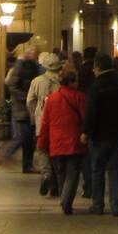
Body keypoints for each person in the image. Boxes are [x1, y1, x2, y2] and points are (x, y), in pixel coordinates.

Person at [81, 52, 118, 216]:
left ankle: (98, 204)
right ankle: (116, 204)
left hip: (99, 135)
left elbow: (91, 111)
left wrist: (86, 131)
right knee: (114, 168)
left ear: (97, 67)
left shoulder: (96, 85)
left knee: (97, 169)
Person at [35, 66, 87, 214]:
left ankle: (64, 199)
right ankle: (66, 201)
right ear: (72, 81)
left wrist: (41, 142)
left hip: (56, 143)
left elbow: (45, 122)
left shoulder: (52, 99)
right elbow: (85, 118)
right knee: (73, 173)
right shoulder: (79, 97)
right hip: (74, 141)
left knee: (61, 173)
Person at [2, 44, 43, 173]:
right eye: (34, 54)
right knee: (24, 137)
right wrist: (25, 97)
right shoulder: (21, 65)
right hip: (22, 108)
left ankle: (27, 165)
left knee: (28, 138)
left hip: (28, 107)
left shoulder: (31, 66)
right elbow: (12, 85)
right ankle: (7, 153)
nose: (35, 57)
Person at [27, 50, 63, 196]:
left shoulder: (36, 81)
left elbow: (30, 101)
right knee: (55, 152)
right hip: (58, 122)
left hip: (41, 121)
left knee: (42, 149)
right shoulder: (62, 82)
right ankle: (55, 186)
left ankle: (46, 174)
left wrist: (35, 115)